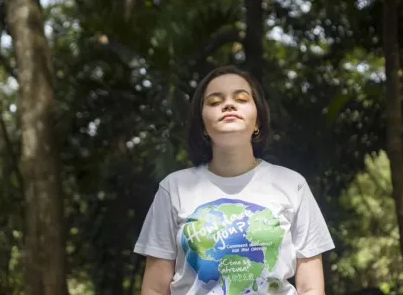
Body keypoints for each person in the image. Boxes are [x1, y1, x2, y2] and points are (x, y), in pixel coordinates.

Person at [133, 66, 335, 295]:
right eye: (214, 102)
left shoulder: (292, 185)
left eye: (241, 98)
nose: (228, 105)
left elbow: (311, 288)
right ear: (203, 125)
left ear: (258, 120)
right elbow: (154, 289)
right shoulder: (173, 189)